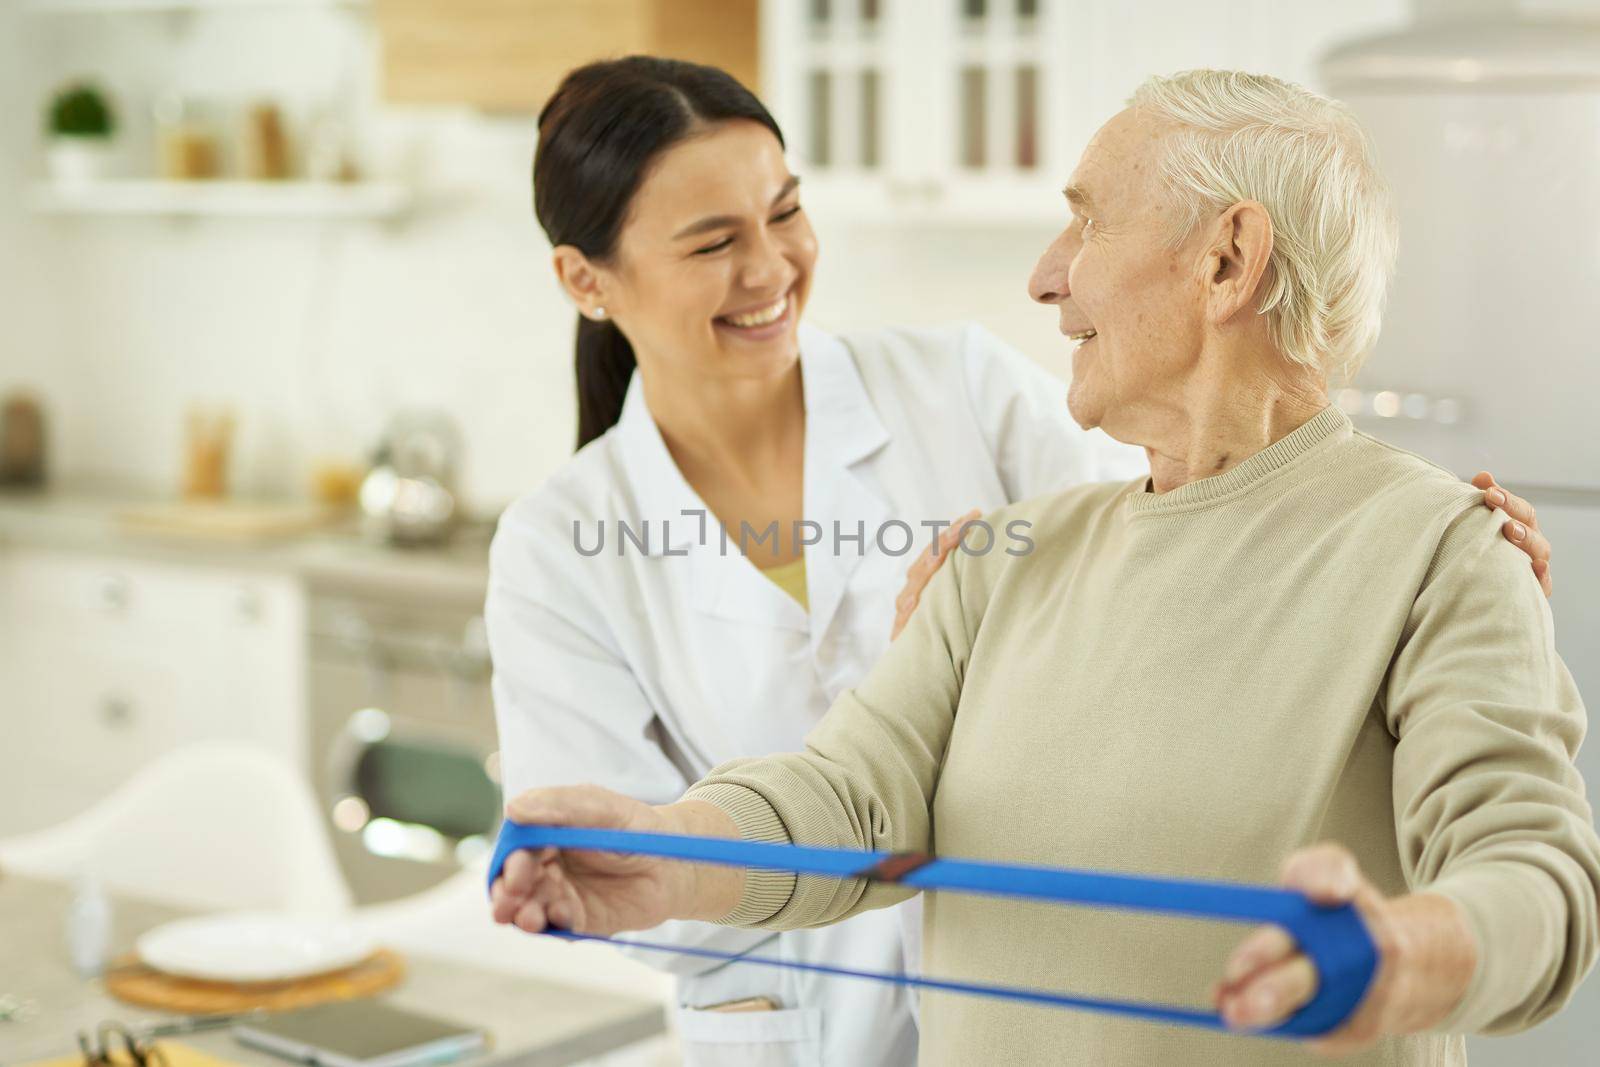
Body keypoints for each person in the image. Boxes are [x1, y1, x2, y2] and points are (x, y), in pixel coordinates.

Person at [489, 69, 1597, 1067]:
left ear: (1225, 260)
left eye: (1084, 223)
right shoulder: (1002, 558)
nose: (1042, 278)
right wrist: (667, 850)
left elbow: (1537, 877)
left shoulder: (1436, 549)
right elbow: (845, 793)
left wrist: (1403, 951)